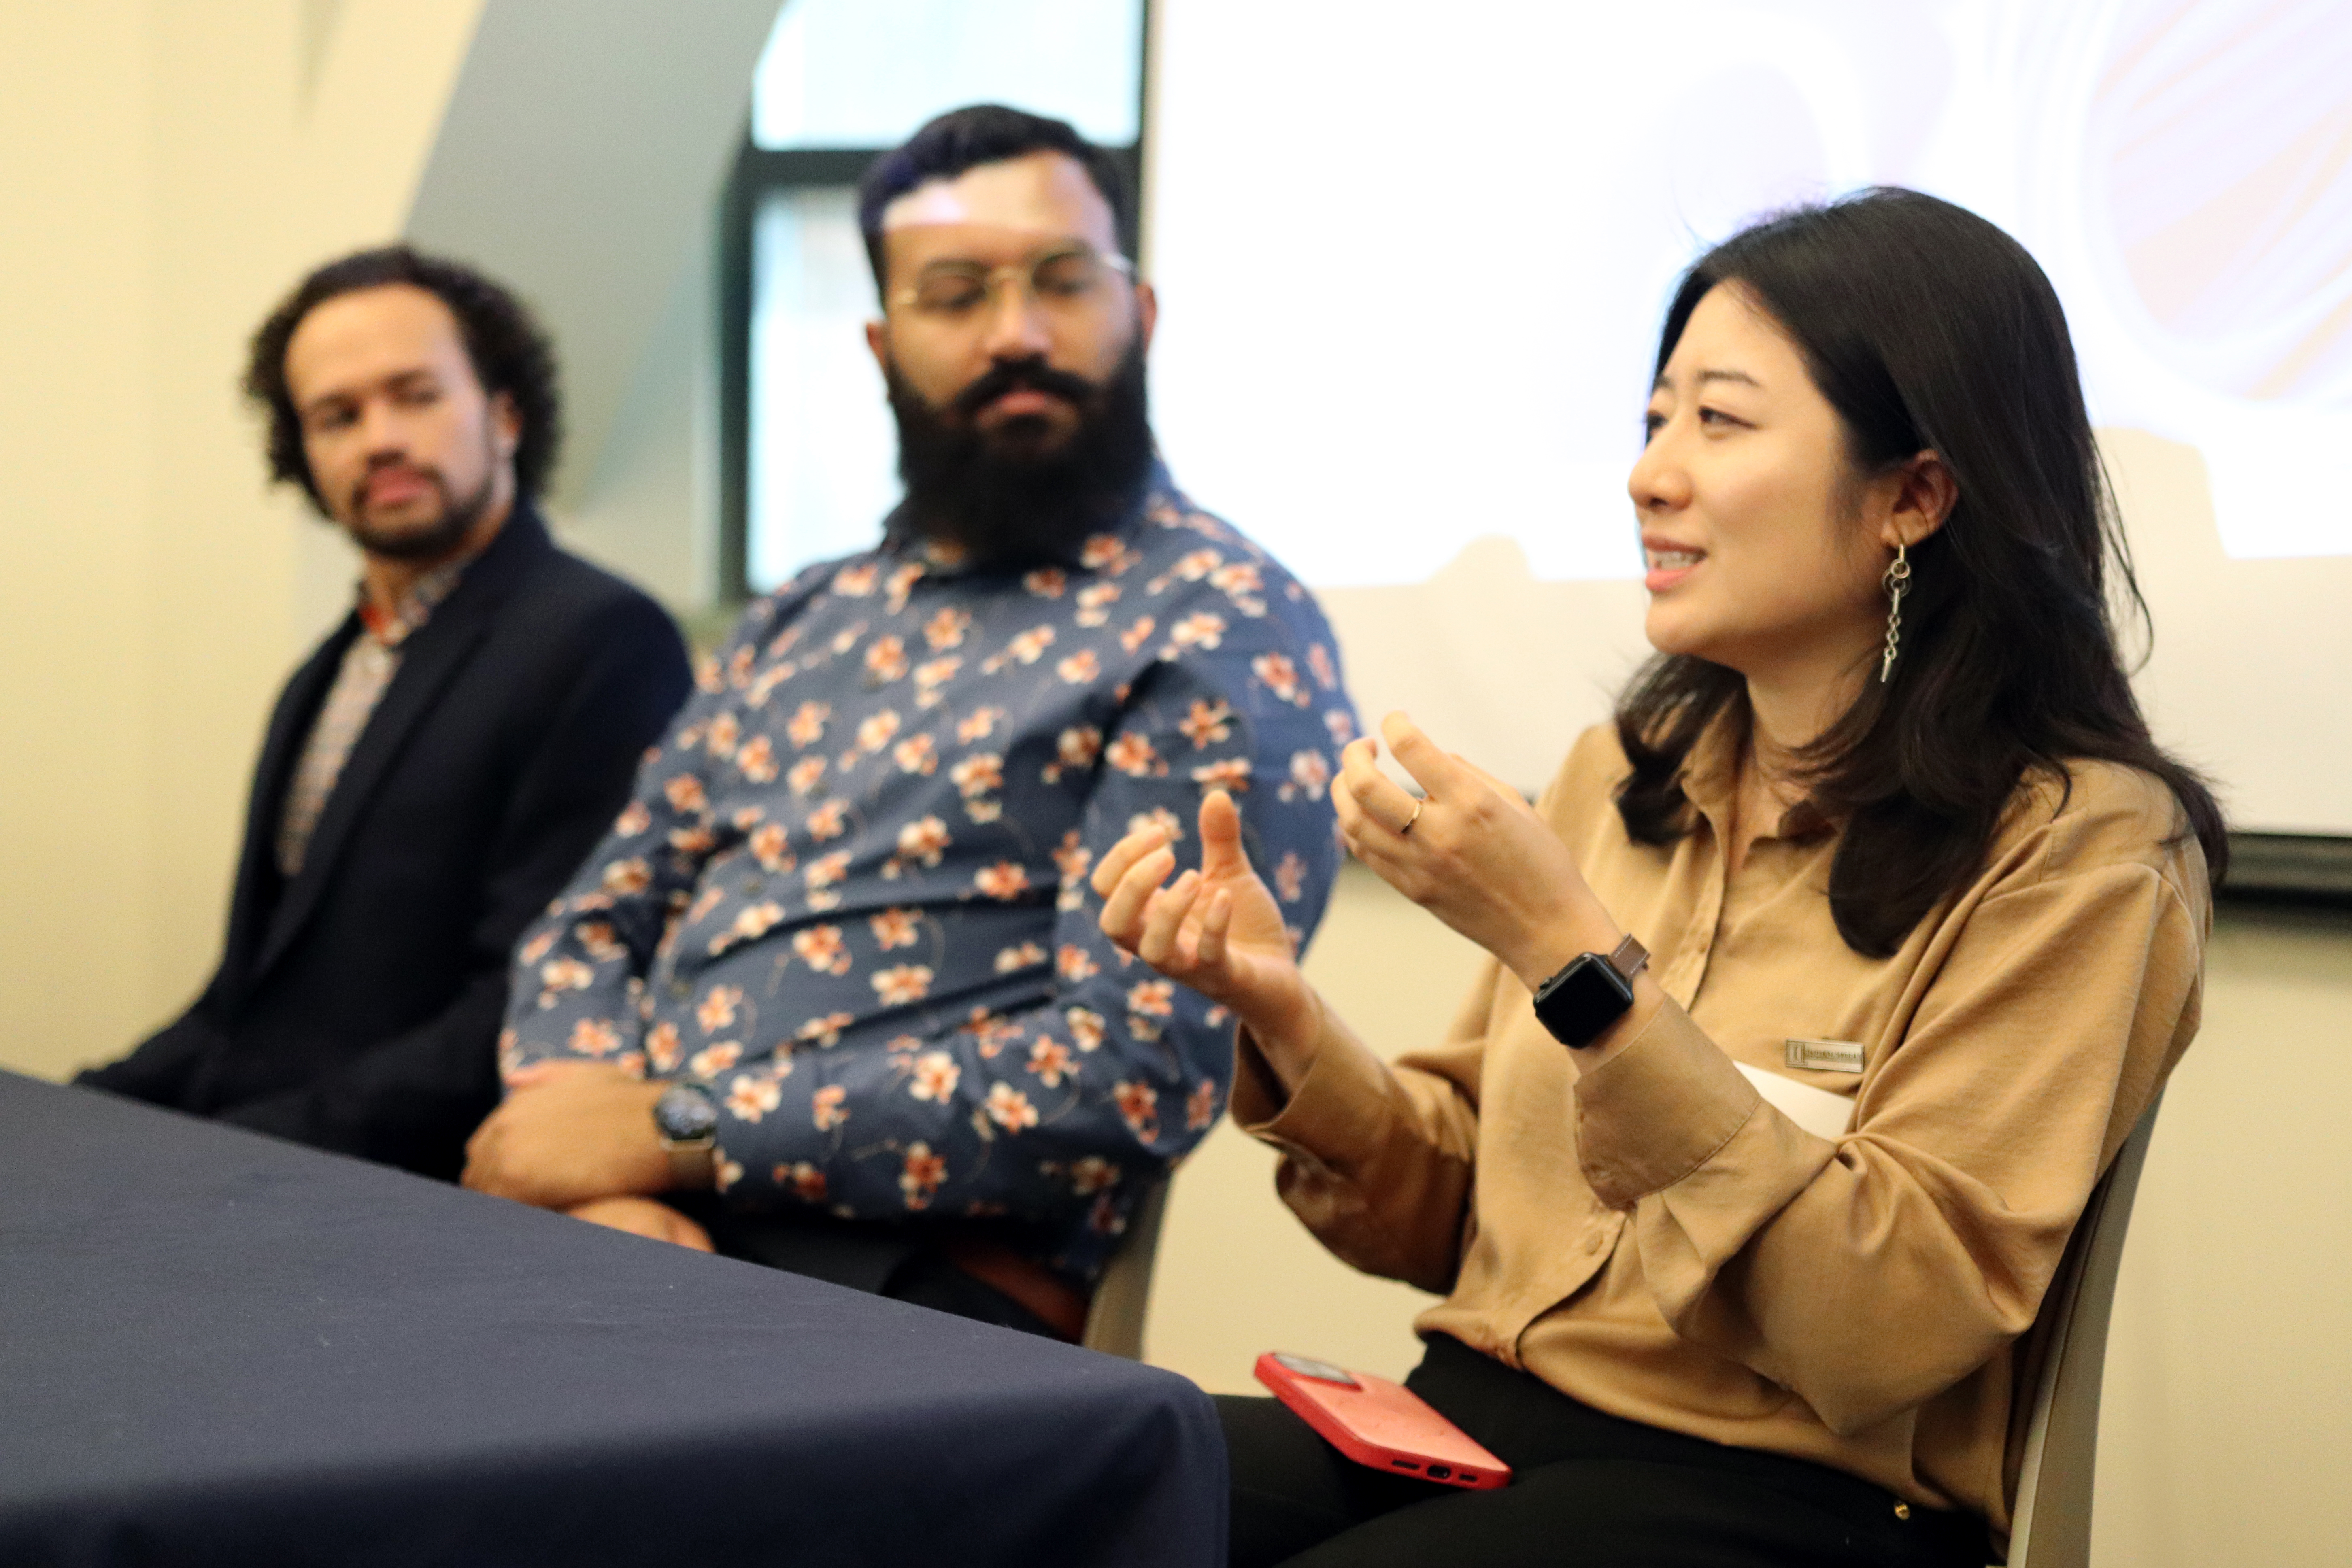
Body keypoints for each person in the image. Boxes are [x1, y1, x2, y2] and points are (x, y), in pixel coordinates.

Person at [1094, 188, 2221, 1567]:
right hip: (1476, 1425)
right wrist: (1281, 1017)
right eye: (1654, 420)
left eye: (1722, 421)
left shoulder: (2082, 848)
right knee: (1069, 1481)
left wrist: (1579, 964)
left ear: (1915, 495)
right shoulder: (1626, 770)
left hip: (1795, 1499)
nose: (1650, 474)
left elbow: (1888, 1324)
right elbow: (1455, 1220)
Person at [461, 106, 1357, 1340]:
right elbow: (590, 925)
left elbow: (1131, 1074)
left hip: (898, 1288)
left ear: (1139, 315)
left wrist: (684, 1135)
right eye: (955, 294)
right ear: (884, 346)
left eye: (1063, 281)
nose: (1017, 334)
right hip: (628, 1227)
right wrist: (601, 1162)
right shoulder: (802, 617)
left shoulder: (1217, 621)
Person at [77, 247, 692, 1182]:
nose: (379, 439)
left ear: (505, 414)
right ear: (303, 455)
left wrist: (233, 1147)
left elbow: (536, 995)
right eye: (338, 416)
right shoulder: (324, 673)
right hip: (270, 1156)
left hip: (418, 1189)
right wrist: (76, 1111)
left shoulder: (601, 637)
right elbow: (242, 1004)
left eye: (416, 395)